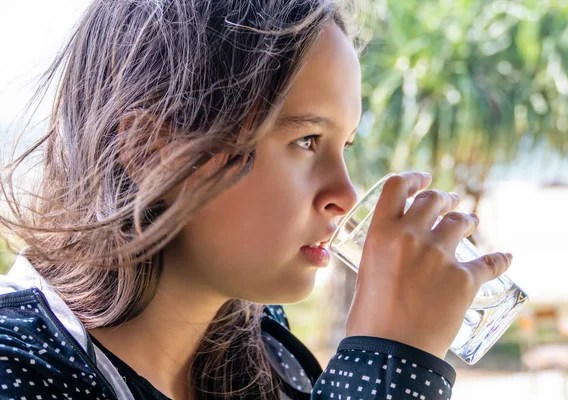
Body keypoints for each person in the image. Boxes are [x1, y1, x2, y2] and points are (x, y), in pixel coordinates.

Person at [0, 0, 513, 399]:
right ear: (152, 153)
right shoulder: (19, 367)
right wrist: (389, 360)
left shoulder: (265, 348)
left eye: (345, 145)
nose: (346, 195)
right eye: (307, 141)